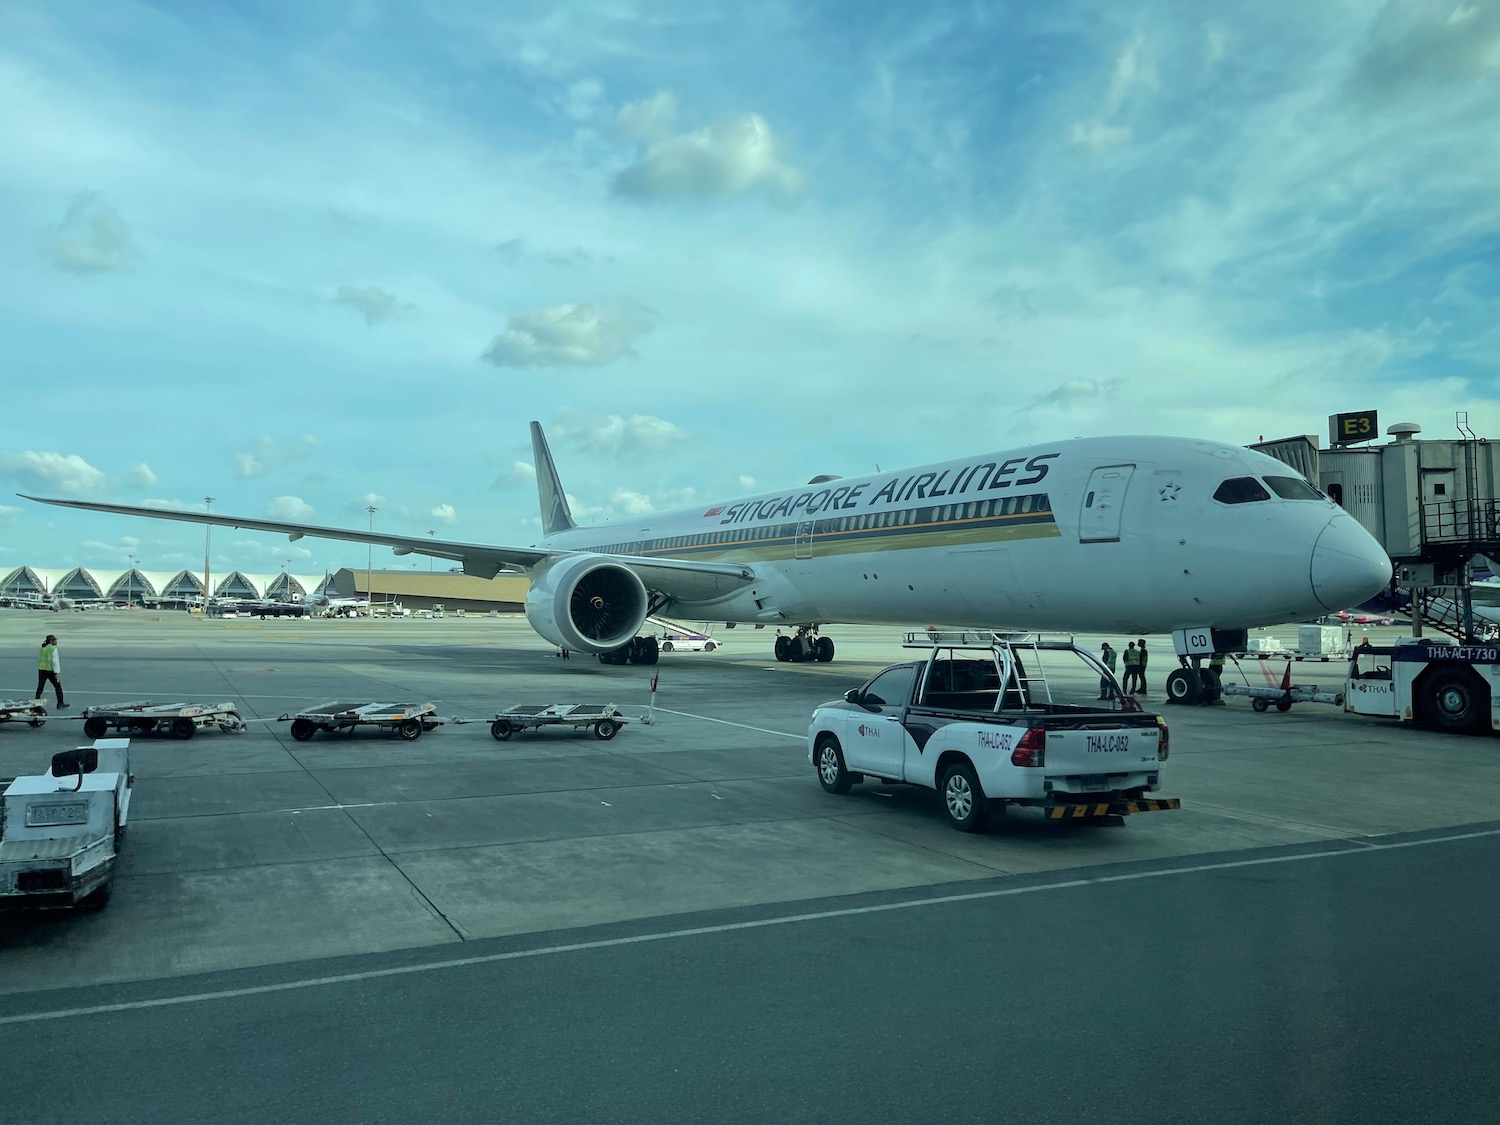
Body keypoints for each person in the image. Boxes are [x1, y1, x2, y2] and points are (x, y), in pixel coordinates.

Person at [35, 634, 67, 709]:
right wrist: (57, 672)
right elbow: (55, 662)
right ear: (51, 641)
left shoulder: (43, 648)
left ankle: (36, 701)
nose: (56, 641)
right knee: (57, 686)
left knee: (40, 686)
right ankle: (60, 702)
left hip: (42, 670)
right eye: (54, 640)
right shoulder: (53, 649)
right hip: (50, 670)